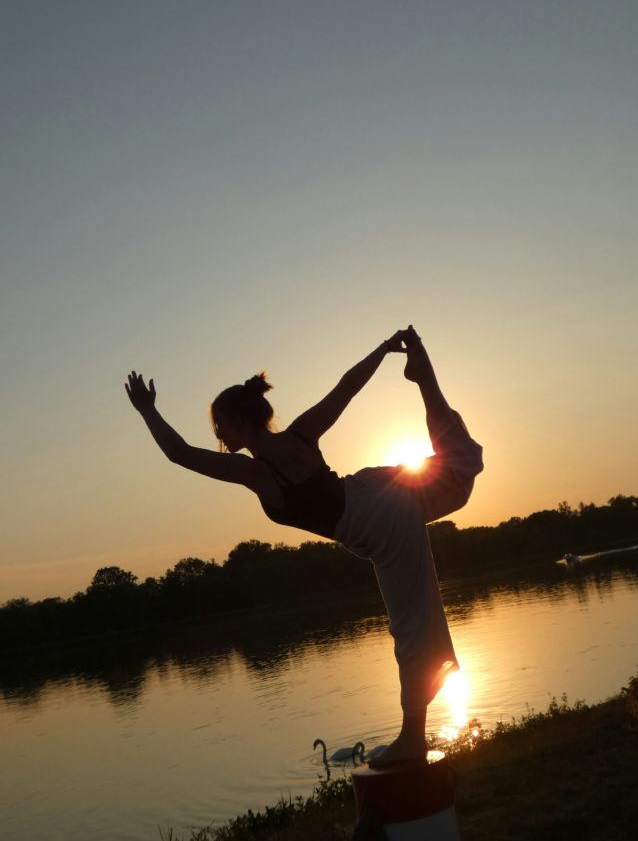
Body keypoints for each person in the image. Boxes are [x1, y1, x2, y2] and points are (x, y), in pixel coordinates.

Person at [125, 326, 483, 766]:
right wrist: (384, 349)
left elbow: (179, 452)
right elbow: (346, 388)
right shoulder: (299, 435)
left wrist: (147, 411)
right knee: (457, 470)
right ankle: (423, 374)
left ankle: (412, 741)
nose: (218, 434)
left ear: (240, 421)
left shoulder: (254, 472)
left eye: (220, 425)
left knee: (411, 625)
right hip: (379, 491)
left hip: (379, 520)